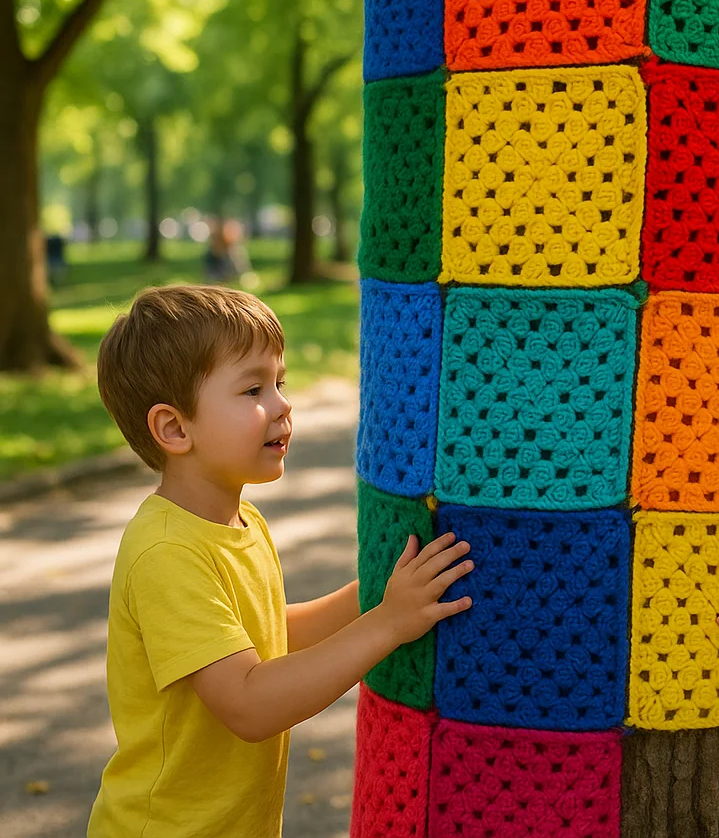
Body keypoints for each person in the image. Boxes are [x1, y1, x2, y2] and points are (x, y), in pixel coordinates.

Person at [88, 285, 474, 836]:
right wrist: (388, 624)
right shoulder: (166, 553)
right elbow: (249, 703)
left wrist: (377, 595)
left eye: (280, 382)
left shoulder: (239, 521)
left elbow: (268, 637)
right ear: (175, 428)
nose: (283, 404)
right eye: (252, 389)